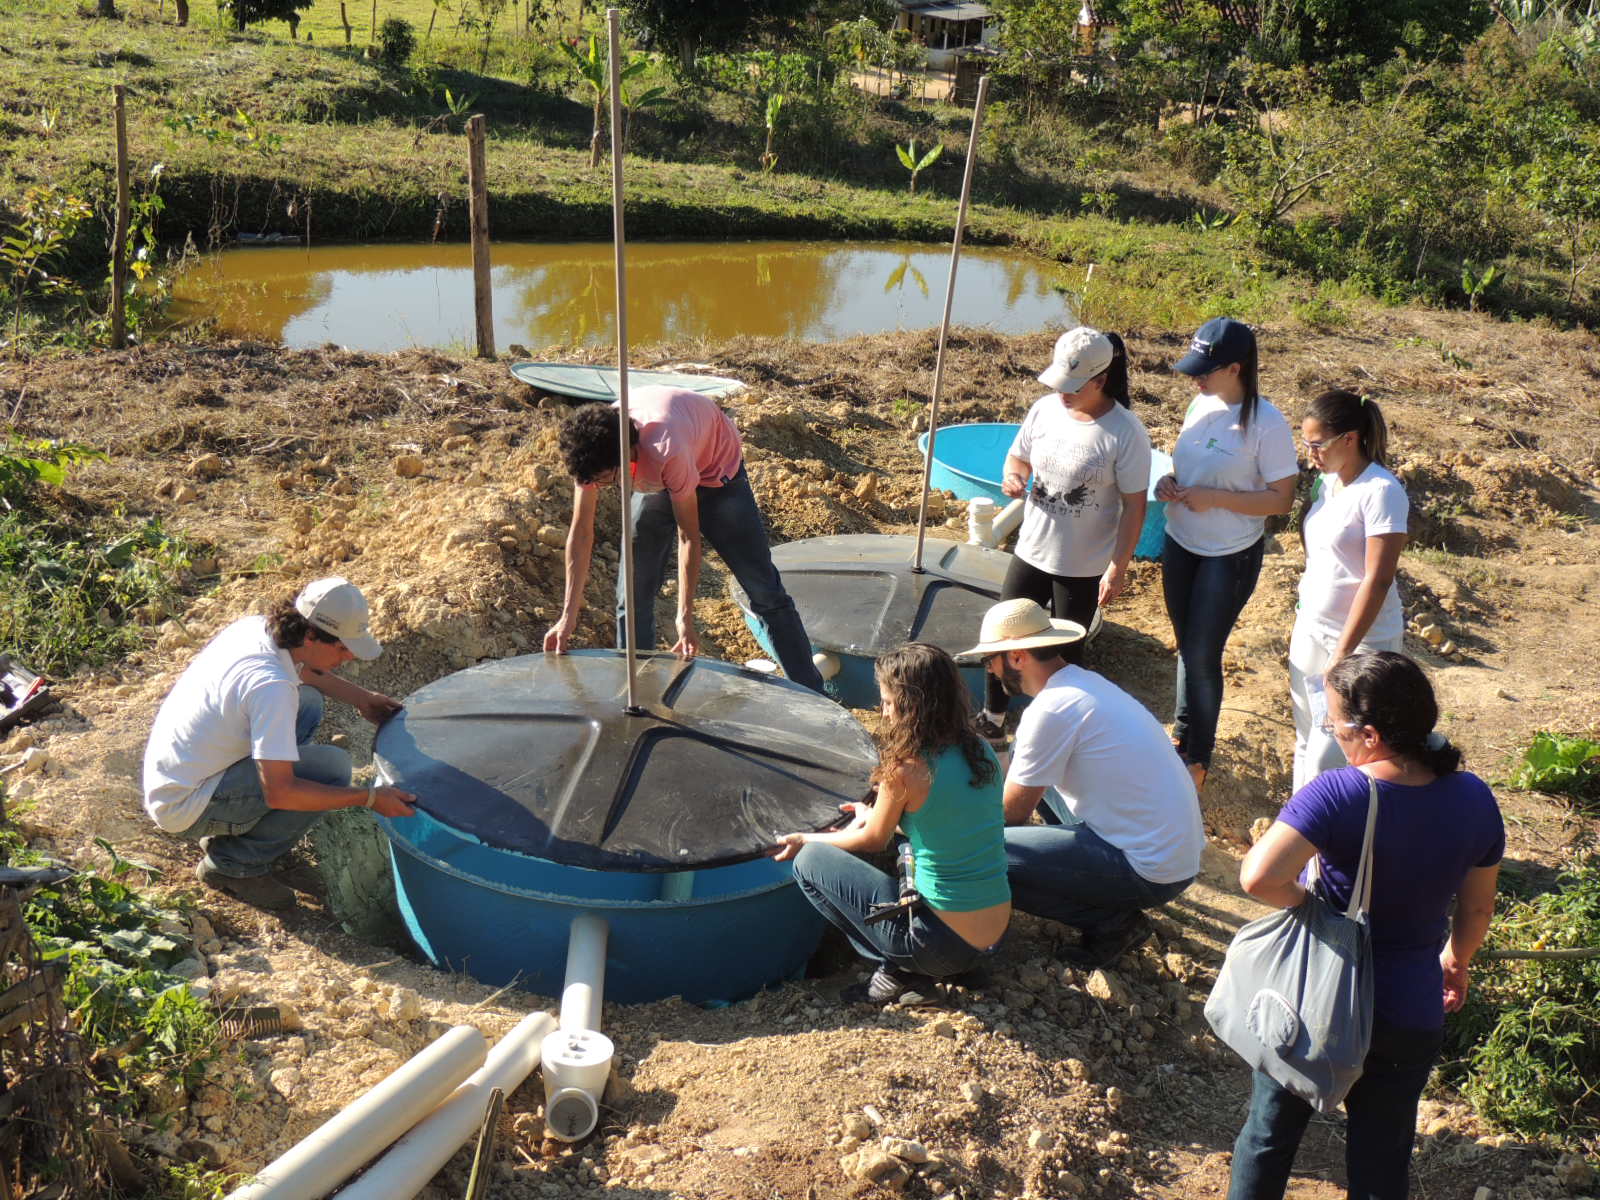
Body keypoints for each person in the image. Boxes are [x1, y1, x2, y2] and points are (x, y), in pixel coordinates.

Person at [1228, 651, 1502, 1200]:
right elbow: (1475, 910)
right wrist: (1456, 961)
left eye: (1334, 724)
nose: (1332, 733)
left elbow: (1258, 878)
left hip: (1320, 1005)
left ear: (1370, 734)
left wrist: (1308, 904)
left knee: (1268, 1136)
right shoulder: (1473, 796)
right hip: (1409, 1008)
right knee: (1383, 1153)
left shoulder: (1339, 794)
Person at [142, 578, 417, 911]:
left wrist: (361, 698)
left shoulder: (258, 629)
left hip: (185, 771)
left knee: (309, 703)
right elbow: (280, 792)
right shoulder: (271, 688)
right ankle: (233, 865)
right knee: (331, 770)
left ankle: (239, 830)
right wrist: (371, 798)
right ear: (311, 634)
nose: (347, 657)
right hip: (185, 804)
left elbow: (305, 671)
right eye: (342, 647)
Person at [962, 598, 1203, 967]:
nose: (991, 672)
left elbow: (1010, 813)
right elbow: (1020, 769)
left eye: (990, 660)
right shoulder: (1081, 685)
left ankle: (1113, 922)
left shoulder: (1050, 710)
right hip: (1172, 855)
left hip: (1149, 869)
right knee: (1028, 792)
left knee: (982, 855)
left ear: (1017, 656)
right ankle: (1099, 894)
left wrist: (949, 820)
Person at [542, 386, 824, 693]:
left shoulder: (666, 449)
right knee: (632, 594)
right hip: (661, 471)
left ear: (625, 459)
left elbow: (688, 536)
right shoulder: (592, 451)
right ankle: (638, 692)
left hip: (716, 473)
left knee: (765, 591)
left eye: (604, 480)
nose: (598, 486)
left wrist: (684, 618)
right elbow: (582, 532)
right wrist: (567, 617)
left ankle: (811, 692)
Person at [774, 643, 1010, 1005]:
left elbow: (872, 841)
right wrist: (876, 815)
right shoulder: (980, 750)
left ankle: (898, 968)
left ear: (912, 705)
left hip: (936, 945)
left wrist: (808, 838)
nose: (882, 713)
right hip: (992, 936)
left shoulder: (906, 768)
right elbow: (941, 823)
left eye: (886, 702)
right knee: (908, 848)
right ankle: (934, 967)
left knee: (809, 863)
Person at [978, 326, 1151, 744]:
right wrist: (1012, 478)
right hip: (1031, 550)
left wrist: (1117, 567)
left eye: (1075, 387)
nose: (1064, 393)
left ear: (1101, 379)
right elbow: (1017, 457)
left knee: (1064, 657)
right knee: (1002, 638)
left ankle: (1054, 731)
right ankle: (993, 719)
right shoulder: (1044, 410)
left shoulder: (1125, 432)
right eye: (1059, 383)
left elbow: (1134, 507)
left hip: (1081, 565)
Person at [1157, 318, 1299, 791]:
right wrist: (1168, 482)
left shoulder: (1266, 424)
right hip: (1181, 542)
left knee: (1202, 652)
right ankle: (1183, 738)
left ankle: (1198, 758)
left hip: (1228, 553)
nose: (1195, 378)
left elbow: (1281, 499)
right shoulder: (1200, 403)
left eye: (1206, 369)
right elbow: (1187, 463)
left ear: (1236, 368)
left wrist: (1216, 498)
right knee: (1186, 646)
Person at [1291, 389, 1408, 791]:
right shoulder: (1327, 484)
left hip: (1362, 643)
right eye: (1306, 443)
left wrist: (1343, 652)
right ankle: (1300, 837)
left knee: (1336, 750)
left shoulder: (1382, 491)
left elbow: (1377, 579)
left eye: (1317, 444)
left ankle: (1336, 840)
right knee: (1306, 735)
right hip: (1311, 628)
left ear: (1349, 439)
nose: (1310, 454)